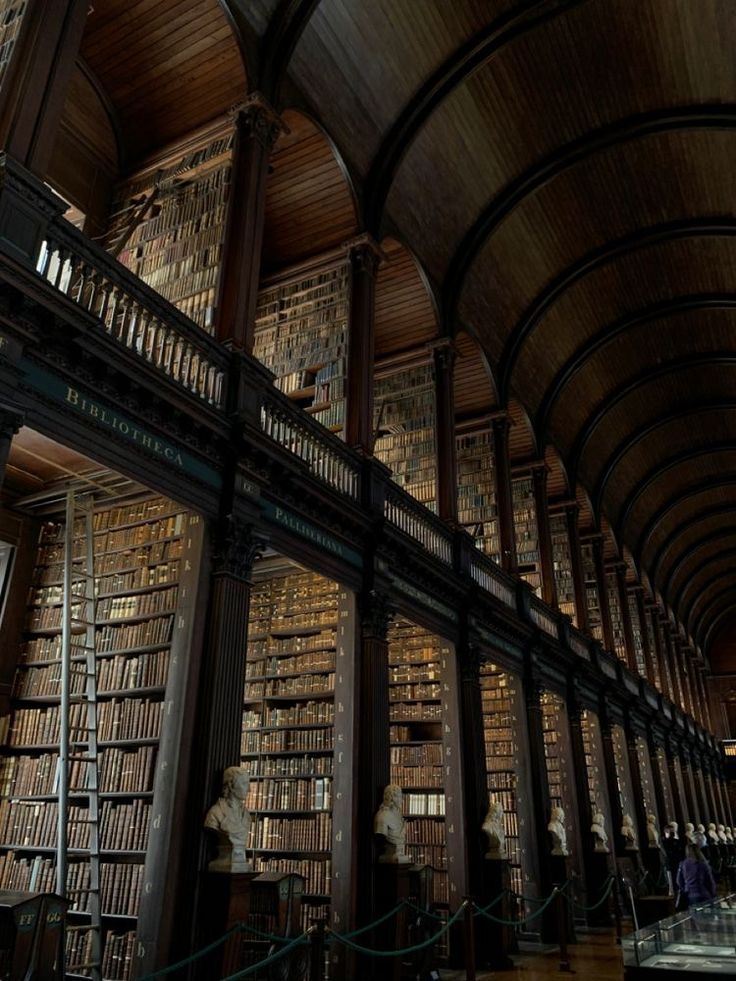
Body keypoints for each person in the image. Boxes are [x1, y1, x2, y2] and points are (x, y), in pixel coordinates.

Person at [204, 766, 252, 872]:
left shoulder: (246, 816)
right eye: (244, 783)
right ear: (231, 785)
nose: (249, 789)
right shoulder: (216, 813)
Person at [374, 784, 410, 863]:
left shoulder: (398, 816)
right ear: (392, 798)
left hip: (398, 853)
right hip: (390, 856)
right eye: (399, 796)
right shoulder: (383, 817)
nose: (402, 800)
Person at [676, 844, 717, 909]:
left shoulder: (682, 864)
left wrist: (685, 889)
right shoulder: (703, 864)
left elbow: (679, 881)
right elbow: (710, 882)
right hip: (704, 894)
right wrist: (713, 894)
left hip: (690, 895)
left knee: (695, 916)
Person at [661, 822, 684, 895]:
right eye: (671, 832)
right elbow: (667, 851)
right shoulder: (664, 840)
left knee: (678, 879)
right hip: (670, 862)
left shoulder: (676, 841)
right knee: (671, 880)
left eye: (673, 832)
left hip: (677, 861)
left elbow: (680, 850)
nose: (673, 833)